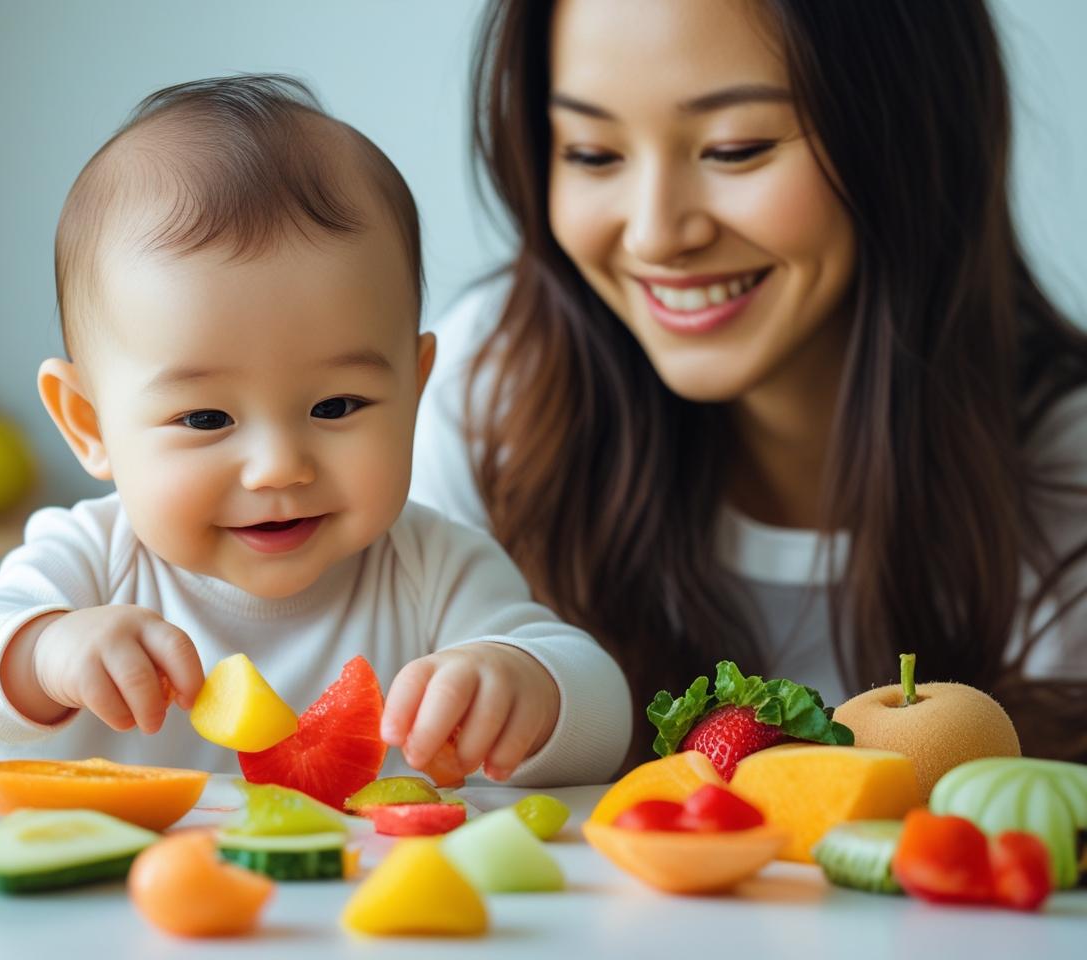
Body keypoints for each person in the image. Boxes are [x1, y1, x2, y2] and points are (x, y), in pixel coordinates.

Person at [0, 75, 632, 784]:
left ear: (414, 390)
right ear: (88, 424)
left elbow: (603, 714)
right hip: (129, 903)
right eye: (206, 418)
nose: (279, 467)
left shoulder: (434, 569)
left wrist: (523, 686)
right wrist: (42, 653)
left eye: (337, 406)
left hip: (363, 905)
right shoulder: (94, 562)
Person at [410, 0, 1087, 766]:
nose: (655, 233)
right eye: (594, 154)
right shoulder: (486, 391)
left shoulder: (1066, 481)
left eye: (736, 148)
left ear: (912, 129)